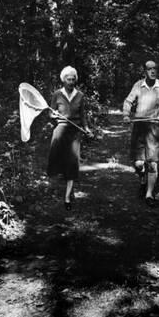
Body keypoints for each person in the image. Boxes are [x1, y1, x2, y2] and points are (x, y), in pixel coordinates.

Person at [123, 60, 159, 206]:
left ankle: (149, 194)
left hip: (155, 127)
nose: (153, 71)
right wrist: (126, 114)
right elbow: (128, 101)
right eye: (150, 69)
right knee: (138, 163)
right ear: (145, 71)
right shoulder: (138, 85)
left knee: (153, 163)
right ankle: (142, 181)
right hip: (139, 126)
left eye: (155, 68)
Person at [47, 66, 92, 210]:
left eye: (73, 79)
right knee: (56, 158)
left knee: (72, 162)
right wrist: (52, 115)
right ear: (63, 80)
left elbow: (83, 115)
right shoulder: (57, 94)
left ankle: (67, 197)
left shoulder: (80, 95)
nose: (71, 82)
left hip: (75, 132)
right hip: (60, 130)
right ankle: (55, 186)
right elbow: (51, 113)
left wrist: (86, 128)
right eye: (68, 79)